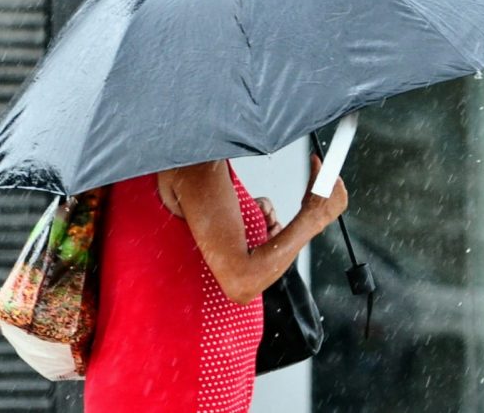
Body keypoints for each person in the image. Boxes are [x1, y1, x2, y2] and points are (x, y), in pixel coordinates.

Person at [83, 152, 348, 413]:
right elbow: (241, 281)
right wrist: (315, 215)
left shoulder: (135, 154)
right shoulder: (191, 158)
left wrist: (244, 220)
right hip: (178, 390)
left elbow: (161, 238)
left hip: (144, 382)